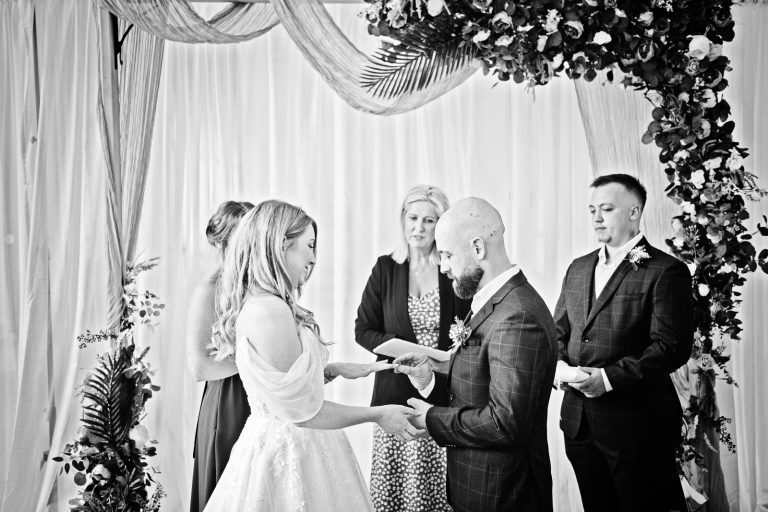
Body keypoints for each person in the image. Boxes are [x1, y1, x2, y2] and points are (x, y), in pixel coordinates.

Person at [203, 199, 419, 511]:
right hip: (291, 451)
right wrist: (377, 414)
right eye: (309, 245)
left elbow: (282, 386)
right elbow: (304, 414)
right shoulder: (270, 311)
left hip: (294, 442)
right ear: (281, 246)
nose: (314, 258)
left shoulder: (264, 303)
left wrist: (330, 370)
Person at [395, 197, 557, 512]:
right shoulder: (493, 300)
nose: (442, 267)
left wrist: (431, 418)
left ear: (478, 249)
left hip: (503, 495)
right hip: (480, 488)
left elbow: (505, 422)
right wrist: (429, 381)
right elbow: (477, 393)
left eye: (447, 255)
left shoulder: (517, 315)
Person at [553, 174, 693, 512]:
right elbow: (558, 333)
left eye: (607, 209)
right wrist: (557, 366)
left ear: (634, 211)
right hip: (579, 424)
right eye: (592, 210)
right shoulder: (577, 267)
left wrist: (607, 379)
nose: (596, 218)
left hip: (637, 429)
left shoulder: (666, 270)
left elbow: (671, 346)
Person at [355, 185, 471, 512]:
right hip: (393, 397)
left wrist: (441, 360)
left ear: (441, 226)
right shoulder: (385, 268)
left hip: (440, 397)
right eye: (413, 218)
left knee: (436, 495)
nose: (418, 227)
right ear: (402, 220)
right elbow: (363, 330)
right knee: (393, 495)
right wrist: (397, 349)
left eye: (429, 220)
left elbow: (469, 330)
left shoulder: (452, 272)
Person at [188, 200, 254, 512]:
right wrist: (259, 362)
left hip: (261, 397)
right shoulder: (210, 289)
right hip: (228, 404)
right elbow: (200, 366)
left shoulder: (259, 287)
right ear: (223, 241)